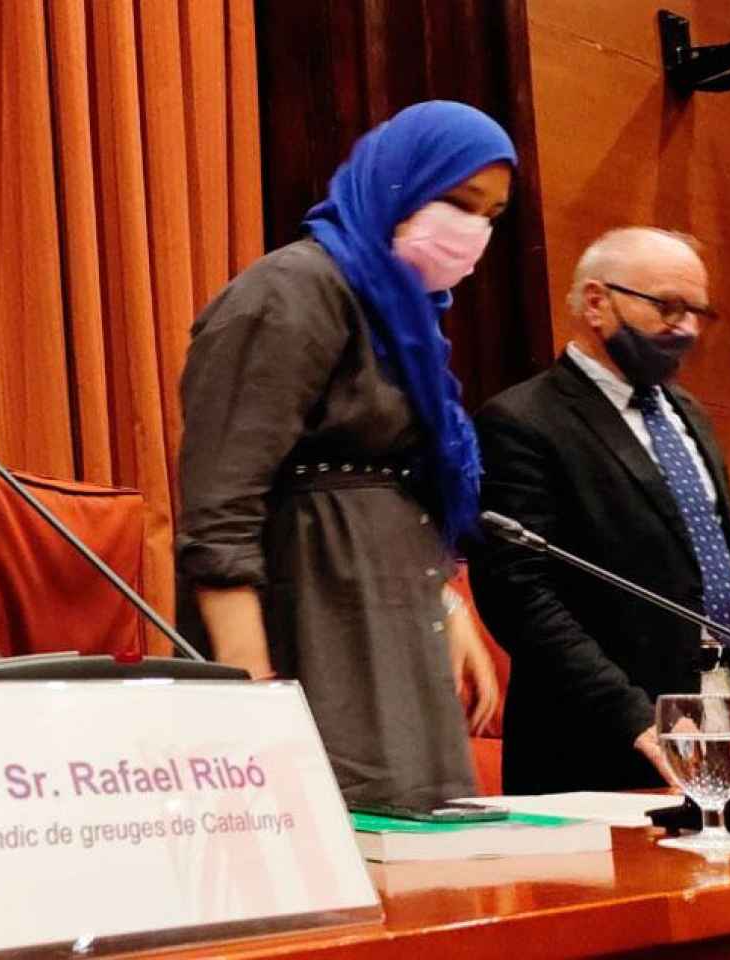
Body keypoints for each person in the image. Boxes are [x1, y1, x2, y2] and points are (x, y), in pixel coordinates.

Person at [175, 101, 513, 807]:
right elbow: (221, 505)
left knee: (420, 848)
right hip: (311, 617)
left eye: (491, 215)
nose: (472, 231)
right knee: (326, 834)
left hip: (388, 621)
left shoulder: (403, 318)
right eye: (456, 200)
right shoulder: (292, 291)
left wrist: (444, 602)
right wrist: (251, 694)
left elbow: (405, 484)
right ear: (397, 181)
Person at [469, 227, 730, 794]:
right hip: (596, 742)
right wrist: (636, 720)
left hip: (721, 714)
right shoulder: (524, 420)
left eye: (699, 312)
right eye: (670, 307)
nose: (688, 329)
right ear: (597, 302)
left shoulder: (690, 414)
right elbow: (518, 595)